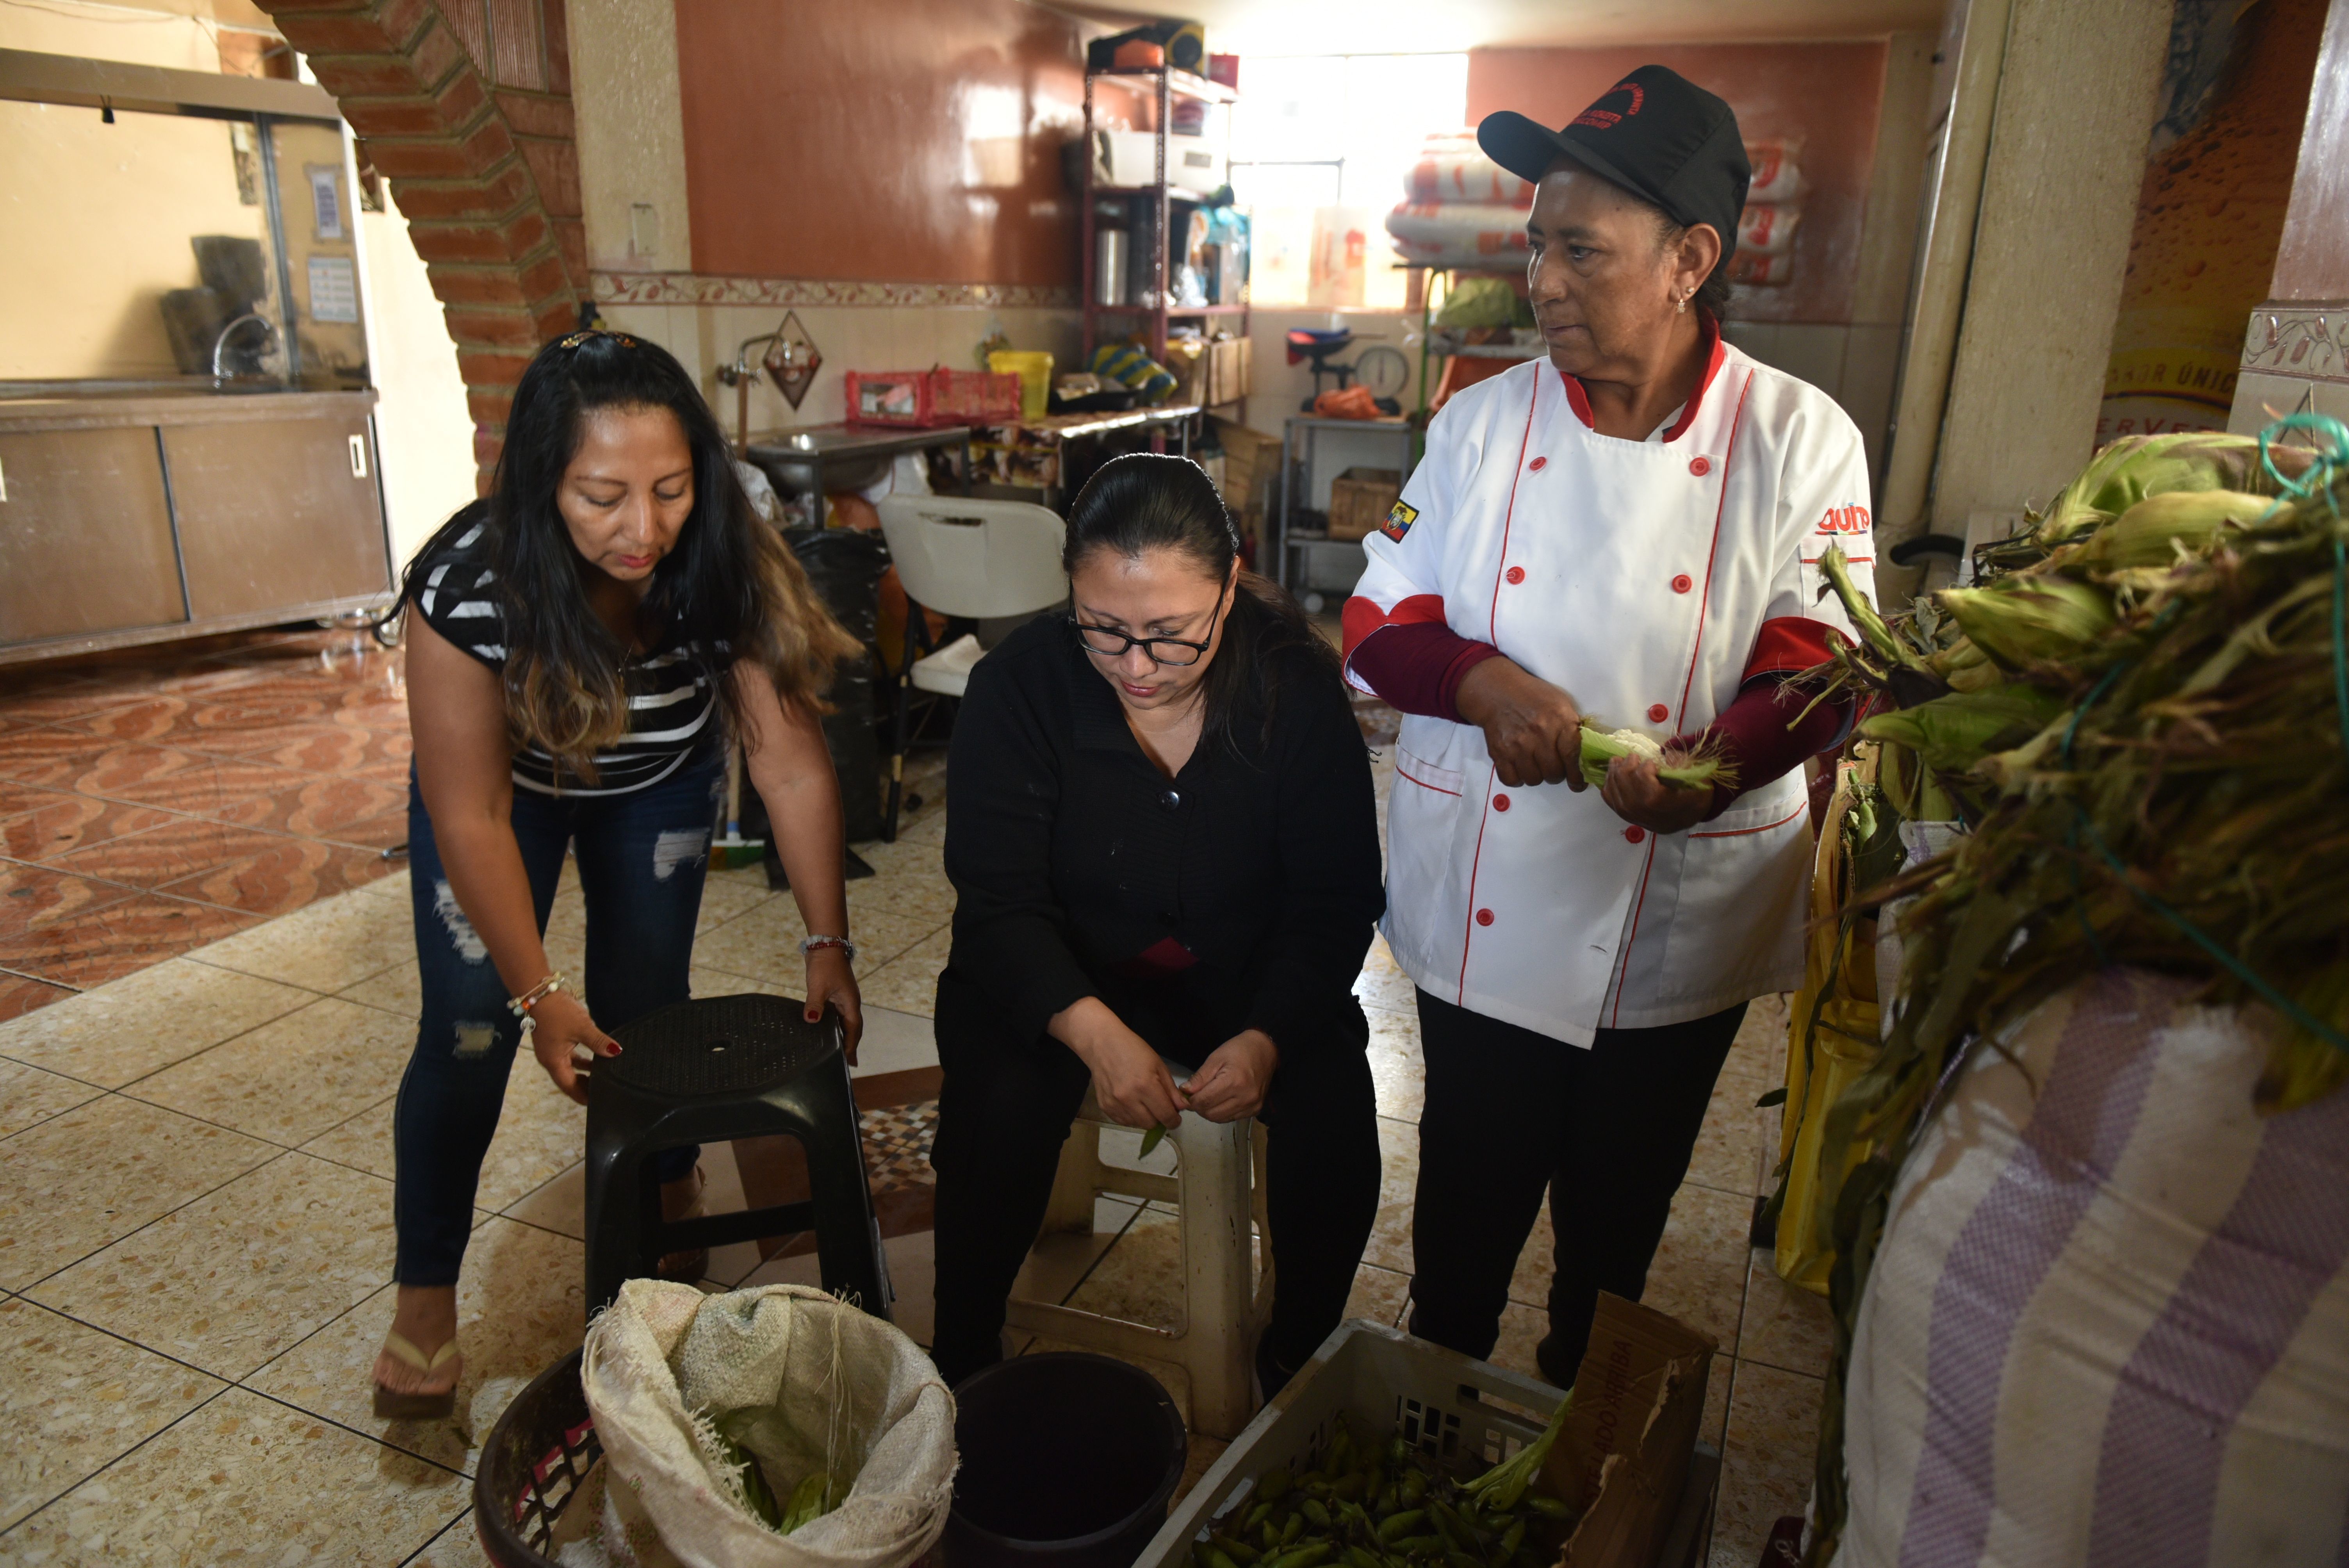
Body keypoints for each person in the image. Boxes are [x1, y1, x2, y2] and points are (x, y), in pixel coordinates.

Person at [1342, 66, 1877, 1385]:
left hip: (1678, 913)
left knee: (1615, 1230)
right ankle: (1441, 1405)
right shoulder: (1479, 424)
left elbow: (1823, 661)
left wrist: (1717, 767)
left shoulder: (1798, 437)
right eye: (1538, 245)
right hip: (1488, 904)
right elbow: (1376, 619)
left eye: (1580, 250)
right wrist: (1483, 684)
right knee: (1462, 1219)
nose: (1542, 281)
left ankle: (1577, 1416)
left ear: (1689, 260)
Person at [374, 330, 868, 1419]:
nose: (643, 530)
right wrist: (540, 994)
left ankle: (663, 1183)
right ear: (542, 482)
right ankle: (424, 1293)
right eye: (602, 497)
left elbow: (789, 766)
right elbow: (469, 812)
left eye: (670, 490)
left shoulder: (723, 560)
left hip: (656, 781)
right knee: (469, 1029)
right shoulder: (469, 583)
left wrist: (827, 943)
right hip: (507, 791)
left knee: (647, 1007)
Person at [928, 453, 1385, 1395]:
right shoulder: (1019, 688)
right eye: (1102, 629)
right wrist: (1094, 1033)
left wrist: (1264, 1036)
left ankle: (1295, 1361)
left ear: (1228, 585)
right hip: (1062, 969)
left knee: (1334, 1110)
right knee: (996, 1101)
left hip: (1242, 973)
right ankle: (961, 1353)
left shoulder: (1292, 689)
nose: (1135, 667)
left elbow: (1333, 898)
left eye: (1171, 635)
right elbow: (999, 905)